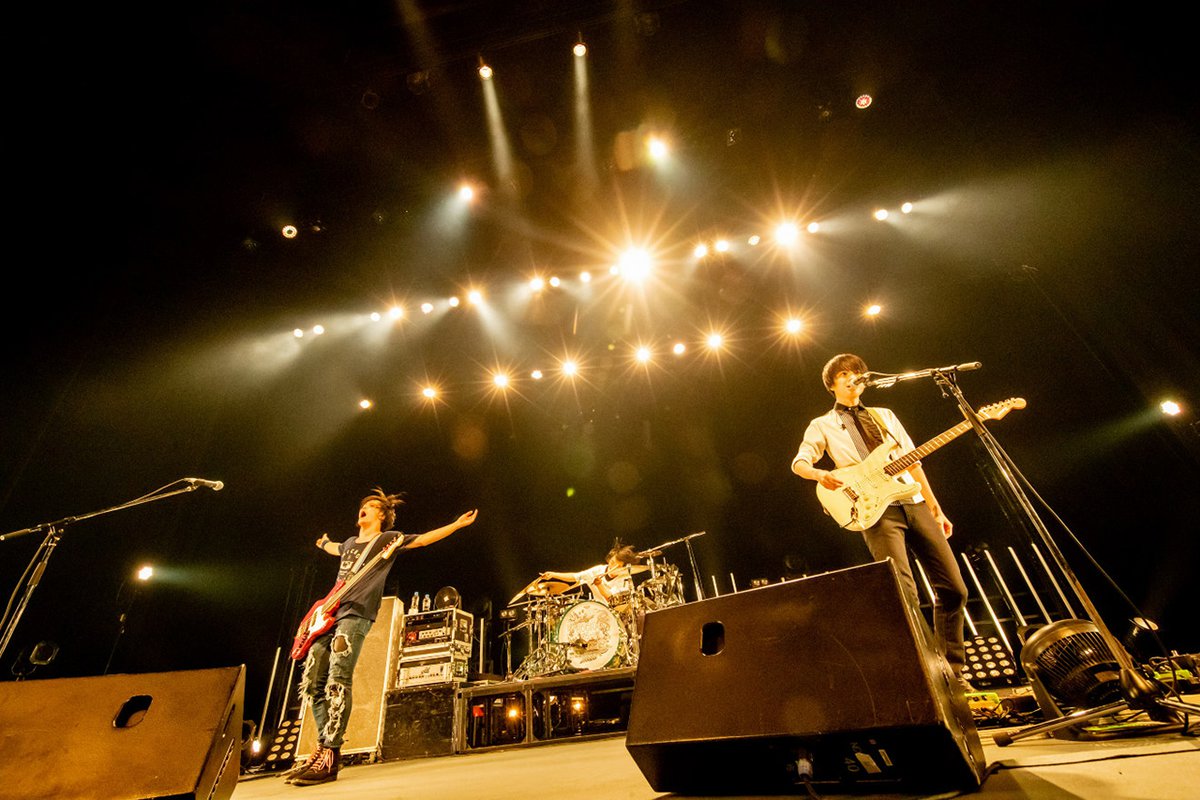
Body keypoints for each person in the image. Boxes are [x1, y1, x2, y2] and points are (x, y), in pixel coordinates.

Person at [790, 353, 971, 690]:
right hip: (875, 510)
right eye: (844, 374)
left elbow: (913, 462)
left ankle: (953, 671)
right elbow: (799, 463)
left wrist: (935, 507)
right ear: (832, 384)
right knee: (905, 593)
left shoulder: (884, 415)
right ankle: (929, 676)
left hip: (912, 501)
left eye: (857, 372)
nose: (852, 377)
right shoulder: (822, 424)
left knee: (955, 589)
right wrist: (820, 475)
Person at [285, 489, 478, 786]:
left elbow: (423, 539)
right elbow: (334, 548)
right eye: (363, 505)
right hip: (330, 614)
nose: (364, 508)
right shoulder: (349, 543)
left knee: (338, 680)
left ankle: (330, 757)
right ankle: (323, 746)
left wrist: (455, 525)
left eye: (372, 506)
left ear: (382, 515)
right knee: (312, 683)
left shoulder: (388, 539)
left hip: (356, 614)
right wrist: (323, 543)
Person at [540, 540, 642, 607]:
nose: (612, 567)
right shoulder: (597, 571)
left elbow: (612, 599)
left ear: (623, 567)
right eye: (612, 562)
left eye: (617, 566)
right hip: (598, 611)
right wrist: (553, 574)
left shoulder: (625, 578)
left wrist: (599, 585)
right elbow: (575, 577)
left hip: (615, 614)